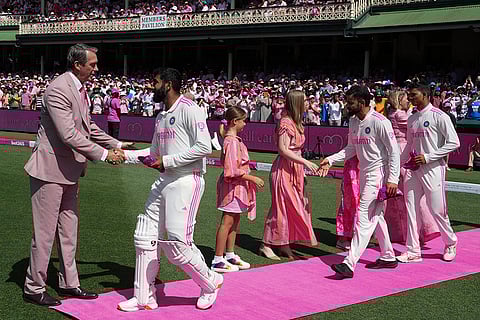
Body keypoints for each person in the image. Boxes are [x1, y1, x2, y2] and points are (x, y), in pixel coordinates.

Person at [22, 44, 128, 307]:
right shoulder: (58, 89)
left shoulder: (80, 90)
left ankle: (69, 283)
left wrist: (115, 144)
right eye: (92, 64)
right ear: (77, 64)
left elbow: (87, 126)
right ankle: (33, 287)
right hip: (49, 171)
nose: (96, 69)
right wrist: (104, 155)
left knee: (69, 232)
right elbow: (68, 134)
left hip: (69, 171)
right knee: (45, 234)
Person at [117, 68, 223, 312]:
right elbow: (153, 154)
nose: (151, 87)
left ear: (168, 84)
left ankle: (210, 283)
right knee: (144, 236)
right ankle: (144, 297)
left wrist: (168, 161)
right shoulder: (161, 115)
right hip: (164, 181)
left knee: (177, 245)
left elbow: (204, 147)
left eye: (155, 82)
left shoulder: (189, 108)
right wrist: (123, 155)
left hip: (186, 180)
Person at [319, 85, 400, 279]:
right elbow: (351, 149)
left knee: (364, 216)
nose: (347, 105)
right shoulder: (354, 122)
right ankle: (388, 256)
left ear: (362, 102)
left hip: (378, 175)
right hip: (364, 173)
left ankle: (349, 263)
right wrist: (330, 159)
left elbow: (393, 151)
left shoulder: (380, 122)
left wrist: (392, 180)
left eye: (350, 102)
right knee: (376, 217)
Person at [396, 84, 460, 264]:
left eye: (414, 95)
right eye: (409, 95)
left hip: (433, 169)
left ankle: (450, 242)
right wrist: (398, 165)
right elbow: (409, 145)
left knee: (437, 210)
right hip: (413, 170)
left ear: (425, 95)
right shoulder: (412, 118)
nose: (410, 98)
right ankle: (413, 251)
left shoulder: (440, 116)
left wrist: (429, 157)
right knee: (411, 209)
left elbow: (454, 142)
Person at [259, 90, 319, 261]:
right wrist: (305, 162)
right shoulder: (285, 122)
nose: (308, 103)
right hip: (284, 170)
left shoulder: (296, 122)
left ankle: (283, 244)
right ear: (297, 103)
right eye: (305, 100)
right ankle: (266, 244)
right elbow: (283, 149)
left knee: (293, 206)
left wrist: (301, 169)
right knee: (281, 207)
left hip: (295, 170)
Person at [212, 106, 264, 272]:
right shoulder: (232, 142)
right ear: (235, 121)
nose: (245, 124)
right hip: (232, 188)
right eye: (243, 120)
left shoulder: (232, 140)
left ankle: (229, 254)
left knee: (234, 221)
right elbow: (231, 170)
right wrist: (252, 178)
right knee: (227, 221)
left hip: (238, 187)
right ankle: (218, 258)